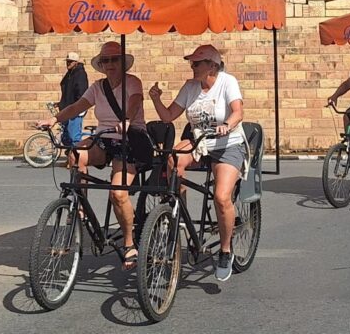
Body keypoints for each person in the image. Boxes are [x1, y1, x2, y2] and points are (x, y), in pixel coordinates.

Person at [43, 41, 147, 270]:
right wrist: (54, 119)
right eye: (106, 60)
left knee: (118, 195)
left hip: (131, 140)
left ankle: (130, 243)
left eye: (114, 59)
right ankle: (80, 207)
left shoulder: (133, 82)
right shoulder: (98, 87)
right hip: (105, 139)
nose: (110, 64)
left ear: (122, 62)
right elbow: (77, 106)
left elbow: (135, 101)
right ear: (101, 64)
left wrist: (127, 120)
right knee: (76, 154)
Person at [148, 44, 245, 283]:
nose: (192, 67)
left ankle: (225, 250)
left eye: (197, 63)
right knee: (172, 159)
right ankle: (176, 210)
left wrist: (228, 125)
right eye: (191, 63)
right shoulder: (190, 87)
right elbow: (169, 116)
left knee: (221, 197)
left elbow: (238, 111)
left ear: (213, 65)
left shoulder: (227, 82)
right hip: (200, 142)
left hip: (227, 144)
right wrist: (155, 99)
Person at [59, 51, 88, 151]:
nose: (68, 64)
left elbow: (81, 92)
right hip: (68, 109)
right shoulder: (70, 74)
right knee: (66, 136)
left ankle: (76, 160)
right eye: (67, 61)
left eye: (70, 62)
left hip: (75, 110)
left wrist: (77, 107)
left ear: (76, 62)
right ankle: (70, 157)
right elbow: (67, 92)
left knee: (74, 137)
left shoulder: (80, 74)